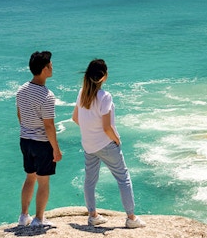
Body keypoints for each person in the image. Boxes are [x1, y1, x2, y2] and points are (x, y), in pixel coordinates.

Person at [72, 59, 145, 228]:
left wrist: (90, 131)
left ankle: (93, 215)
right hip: (105, 144)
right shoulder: (105, 97)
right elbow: (107, 127)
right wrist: (116, 139)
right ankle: (131, 218)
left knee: (90, 180)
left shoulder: (82, 93)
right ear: (104, 76)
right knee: (123, 178)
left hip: (88, 145)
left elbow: (75, 118)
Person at [17, 50, 62, 227]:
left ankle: (23, 216)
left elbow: (20, 114)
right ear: (44, 69)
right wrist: (56, 149)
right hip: (42, 143)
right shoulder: (47, 96)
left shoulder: (21, 90)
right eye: (50, 65)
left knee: (30, 177)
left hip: (25, 140)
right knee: (43, 182)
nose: (52, 67)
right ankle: (39, 218)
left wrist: (27, 130)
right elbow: (49, 126)